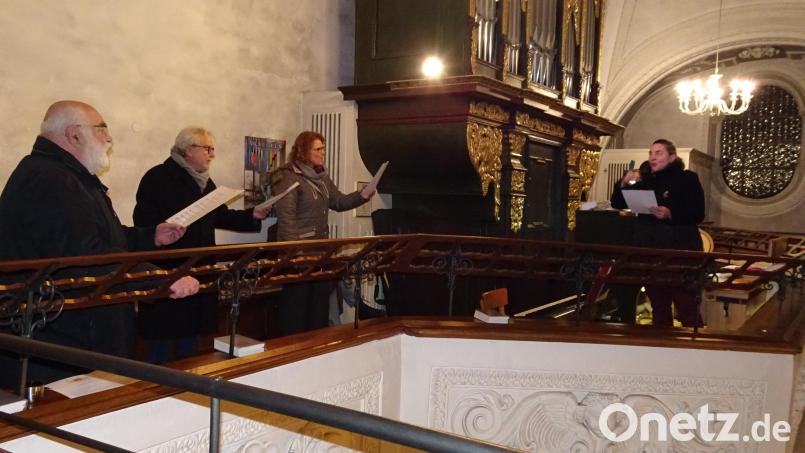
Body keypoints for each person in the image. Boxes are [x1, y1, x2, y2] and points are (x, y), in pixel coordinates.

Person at [0, 100, 198, 386]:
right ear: (74, 134)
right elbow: (86, 256)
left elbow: (101, 238)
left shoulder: (70, 176)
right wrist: (160, 279)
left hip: (71, 334)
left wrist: (150, 235)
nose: (109, 138)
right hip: (58, 344)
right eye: (102, 128)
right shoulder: (51, 179)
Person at [133, 126, 273, 363]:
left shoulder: (205, 183)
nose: (212, 154)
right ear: (188, 150)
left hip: (199, 270)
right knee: (163, 346)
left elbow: (220, 216)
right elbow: (144, 225)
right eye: (207, 148)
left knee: (190, 345)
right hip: (169, 271)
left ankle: (188, 390)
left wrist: (252, 216)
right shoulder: (157, 177)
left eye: (212, 149)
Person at [270, 131, 374, 336]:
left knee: (318, 310)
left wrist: (362, 196)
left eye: (323, 149)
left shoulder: (321, 176)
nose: (322, 153)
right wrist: (294, 255)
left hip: (320, 253)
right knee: (297, 311)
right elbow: (287, 218)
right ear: (303, 151)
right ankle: (294, 352)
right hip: (298, 255)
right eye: (318, 149)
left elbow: (339, 201)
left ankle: (315, 349)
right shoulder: (288, 176)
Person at [610, 139, 705, 327]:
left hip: (679, 252)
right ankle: (662, 347)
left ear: (672, 157)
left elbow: (697, 213)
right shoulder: (644, 179)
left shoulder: (687, 178)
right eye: (651, 153)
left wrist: (671, 214)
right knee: (659, 306)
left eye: (658, 153)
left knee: (687, 306)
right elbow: (618, 203)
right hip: (650, 251)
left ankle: (696, 349)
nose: (652, 157)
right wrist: (624, 183)